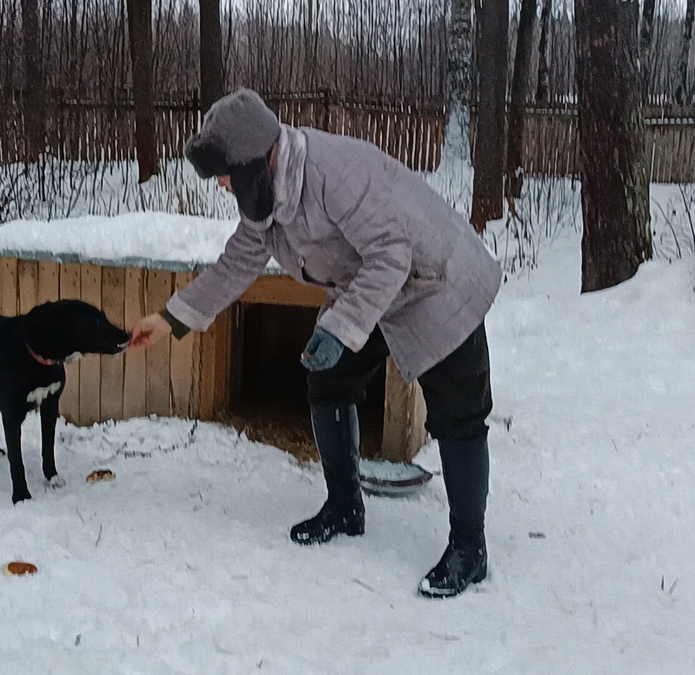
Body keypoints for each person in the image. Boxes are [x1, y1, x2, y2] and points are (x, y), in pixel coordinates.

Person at [128, 88, 502, 599]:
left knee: (457, 413)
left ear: (256, 158)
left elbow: (392, 257)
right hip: (371, 285)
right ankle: (345, 507)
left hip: (437, 279)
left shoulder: (335, 174)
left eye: (224, 172)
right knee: (328, 379)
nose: (220, 183)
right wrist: (171, 318)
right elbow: (239, 260)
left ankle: (469, 549)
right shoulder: (265, 192)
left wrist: (339, 327)